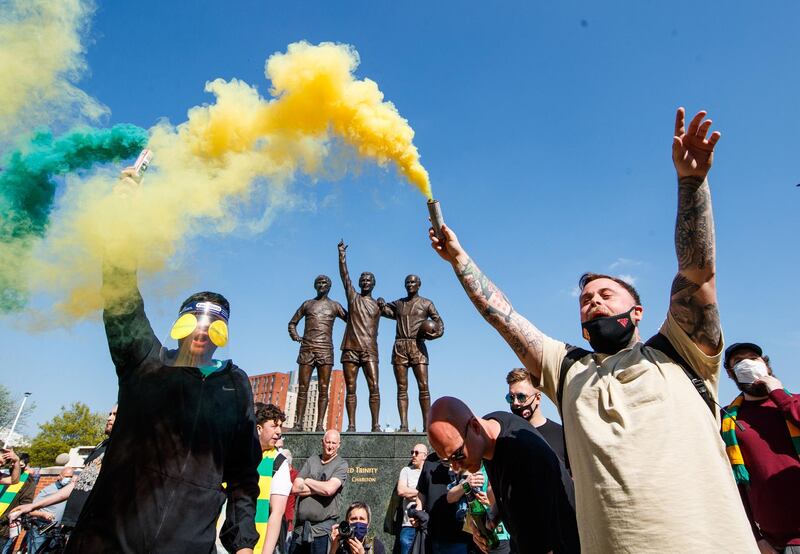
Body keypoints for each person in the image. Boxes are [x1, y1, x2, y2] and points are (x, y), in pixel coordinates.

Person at [428, 107, 758, 551]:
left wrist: (692, 184)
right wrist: (459, 259)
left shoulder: (681, 353)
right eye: (586, 299)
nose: (594, 300)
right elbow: (502, 316)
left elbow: (697, 274)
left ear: (637, 312)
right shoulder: (569, 374)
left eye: (607, 293)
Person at [63, 167, 261, 553]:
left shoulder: (234, 386)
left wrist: (242, 543)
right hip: (107, 541)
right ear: (181, 324)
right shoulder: (145, 362)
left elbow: (242, 474)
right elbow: (120, 294)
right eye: (195, 321)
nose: (202, 331)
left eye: (215, 325)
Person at [428, 397, 578, 553]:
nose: (456, 467)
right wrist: (491, 517)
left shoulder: (524, 458)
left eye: (458, 455)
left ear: (475, 426)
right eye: (447, 461)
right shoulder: (493, 425)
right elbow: (510, 495)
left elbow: (546, 540)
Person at [721, 342, 800, 553]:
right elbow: (734, 484)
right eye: (738, 361)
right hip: (775, 543)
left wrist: (778, 393)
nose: (747, 364)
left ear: (766, 365)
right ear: (730, 373)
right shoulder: (727, 420)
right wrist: (756, 538)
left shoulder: (794, 403)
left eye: (753, 359)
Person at [8, 406, 117, 533]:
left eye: (115, 415)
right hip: (72, 524)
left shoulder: (125, 451)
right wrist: (33, 506)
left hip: (96, 528)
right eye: (110, 413)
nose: (109, 418)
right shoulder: (102, 446)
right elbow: (78, 485)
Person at [379, 275, 443, 432]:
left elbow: (440, 323)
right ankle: (403, 425)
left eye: (413, 282)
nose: (410, 285)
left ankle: (426, 425)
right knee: (401, 387)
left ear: (419, 285)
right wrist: (380, 303)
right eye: (407, 282)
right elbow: (385, 311)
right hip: (400, 346)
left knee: (423, 386)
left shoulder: (427, 303)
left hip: (418, 346)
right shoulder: (399, 303)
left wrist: (435, 334)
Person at [288, 275, 347, 431]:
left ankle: (320, 425)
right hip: (307, 349)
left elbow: (352, 321)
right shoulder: (307, 304)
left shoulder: (335, 306)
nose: (322, 285)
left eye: (324, 283)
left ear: (329, 286)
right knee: (303, 387)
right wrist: (295, 336)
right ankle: (298, 423)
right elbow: (292, 323)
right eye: (319, 283)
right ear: (315, 286)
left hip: (325, 350)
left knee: (323, 387)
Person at [338, 241, 382, 432]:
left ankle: (375, 425)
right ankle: (351, 425)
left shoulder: (379, 305)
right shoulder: (353, 297)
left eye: (368, 280)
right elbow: (344, 276)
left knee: (374, 387)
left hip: (369, 349)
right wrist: (342, 256)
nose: (365, 282)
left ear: (373, 284)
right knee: (351, 388)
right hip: (350, 349)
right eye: (362, 279)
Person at [291, 430, 349, 554]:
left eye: (334, 443)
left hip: (322, 531)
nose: (330, 446)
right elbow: (295, 488)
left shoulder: (341, 464)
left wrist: (307, 480)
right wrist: (321, 487)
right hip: (300, 530)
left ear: (339, 445)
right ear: (322, 442)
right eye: (328, 442)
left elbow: (329, 490)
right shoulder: (311, 461)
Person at [254, 403, 292, 554]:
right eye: (274, 426)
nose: (278, 432)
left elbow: (277, 513)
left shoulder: (278, 462)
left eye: (280, 427)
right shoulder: (236, 454)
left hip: (256, 546)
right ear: (259, 428)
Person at [505, 368, 565, 463]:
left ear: (537, 398)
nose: (515, 403)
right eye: (511, 398)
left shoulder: (561, 436)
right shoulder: (506, 438)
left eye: (521, 397)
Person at [415, 453, 470, 554]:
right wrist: (418, 512)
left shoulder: (463, 456)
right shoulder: (430, 460)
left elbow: (471, 486)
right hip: (432, 533)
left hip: (457, 536)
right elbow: (422, 491)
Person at [447, 468, 510, 554]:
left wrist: (489, 501)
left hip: (499, 535)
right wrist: (466, 483)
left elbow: (500, 498)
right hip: (477, 534)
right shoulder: (466, 468)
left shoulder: (494, 464)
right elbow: (450, 497)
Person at [24, 466, 74, 552]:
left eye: (71, 477)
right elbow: (30, 511)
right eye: (66, 476)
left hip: (56, 530)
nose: (68, 479)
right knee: (35, 551)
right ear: (59, 476)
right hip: (41, 527)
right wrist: (43, 514)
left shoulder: (68, 491)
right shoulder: (48, 490)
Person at [396, 444, 427, 554]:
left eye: (417, 453)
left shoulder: (429, 473)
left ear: (424, 456)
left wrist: (412, 492)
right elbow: (401, 491)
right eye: (412, 452)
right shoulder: (406, 470)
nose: (413, 455)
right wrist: (423, 493)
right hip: (408, 525)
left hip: (426, 525)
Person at [0, 453, 34, 554]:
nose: (13, 466)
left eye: (20, 464)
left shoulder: (28, 482)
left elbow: (25, 505)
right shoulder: (4, 476)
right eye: (11, 464)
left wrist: (4, 518)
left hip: (3, 527)